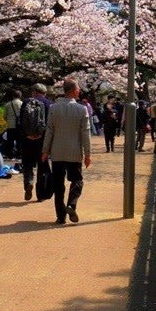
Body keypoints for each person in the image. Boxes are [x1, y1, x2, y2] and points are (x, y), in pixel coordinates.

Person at [42, 78, 91, 224]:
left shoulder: (54, 108)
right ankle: (72, 204)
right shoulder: (81, 109)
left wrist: (45, 150)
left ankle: (61, 216)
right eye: (78, 89)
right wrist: (87, 154)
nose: (79, 91)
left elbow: (49, 130)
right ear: (73, 91)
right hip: (74, 152)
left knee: (58, 185)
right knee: (77, 180)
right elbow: (85, 133)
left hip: (57, 152)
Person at [20, 83, 52, 201]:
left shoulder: (26, 102)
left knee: (27, 164)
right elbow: (50, 125)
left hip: (27, 140)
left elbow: (21, 122)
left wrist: (26, 135)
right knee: (42, 166)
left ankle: (28, 182)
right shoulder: (49, 104)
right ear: (44, 93)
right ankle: (40, 195)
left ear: (34, 92)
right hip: (42, 140)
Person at [3, 89, 23, 159]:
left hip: (10, 125)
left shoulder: (8, 104)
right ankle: (19, 155)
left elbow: (4, 116)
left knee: (10, 142)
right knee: (19, 141)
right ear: (20, 96)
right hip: (19, 125)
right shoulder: (22, 103)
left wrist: (9, 120)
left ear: (13, 96)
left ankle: (10, 155)